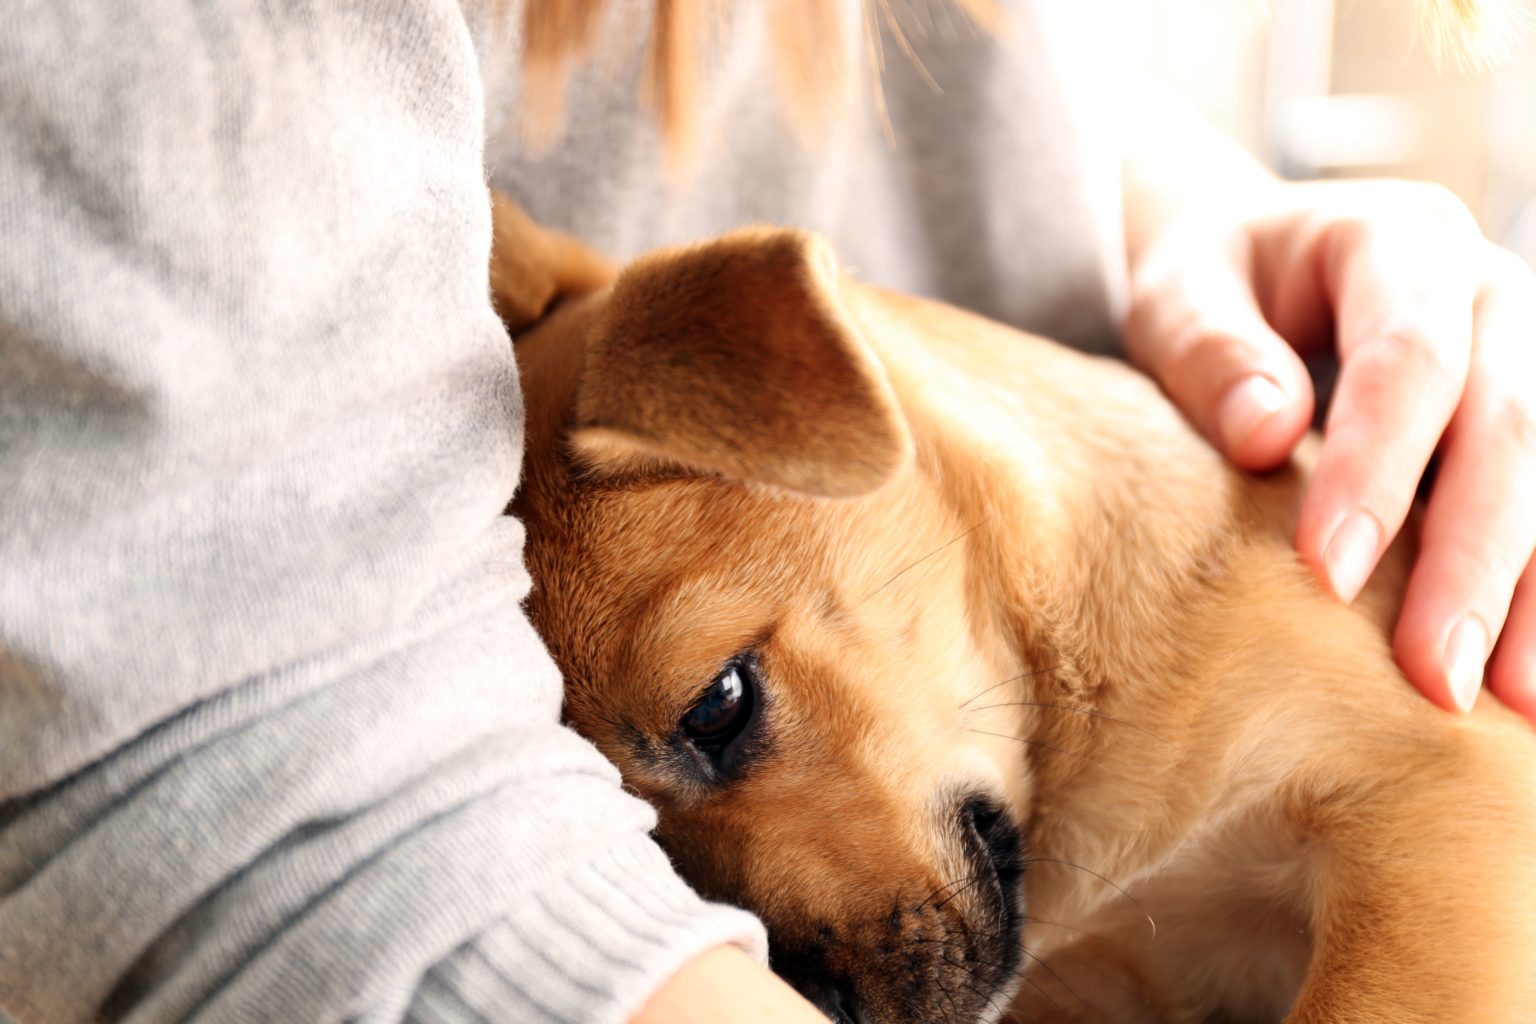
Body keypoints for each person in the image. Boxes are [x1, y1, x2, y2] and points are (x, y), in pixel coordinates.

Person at [0, 2, 1529, 1023]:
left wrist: (1194, 210)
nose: (752, 911)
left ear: (790, 388)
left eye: (726, 712)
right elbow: (221, 777)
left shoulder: (1212, 645)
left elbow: (1477, 825)